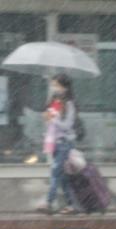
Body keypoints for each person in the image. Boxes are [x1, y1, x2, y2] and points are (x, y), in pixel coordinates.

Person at [37, 74, 79, 215]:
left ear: (65, 87)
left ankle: (48, 203)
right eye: (53, 85)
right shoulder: (55, 102)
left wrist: (53, 119)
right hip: (55, 143)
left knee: (55, 173)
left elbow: (67, 125)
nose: (54, 88)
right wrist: (47, 117)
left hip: (64, 143)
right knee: (63, 177)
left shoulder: (69, 104)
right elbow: (50, 121)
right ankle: (72, 205)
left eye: (56, 85)